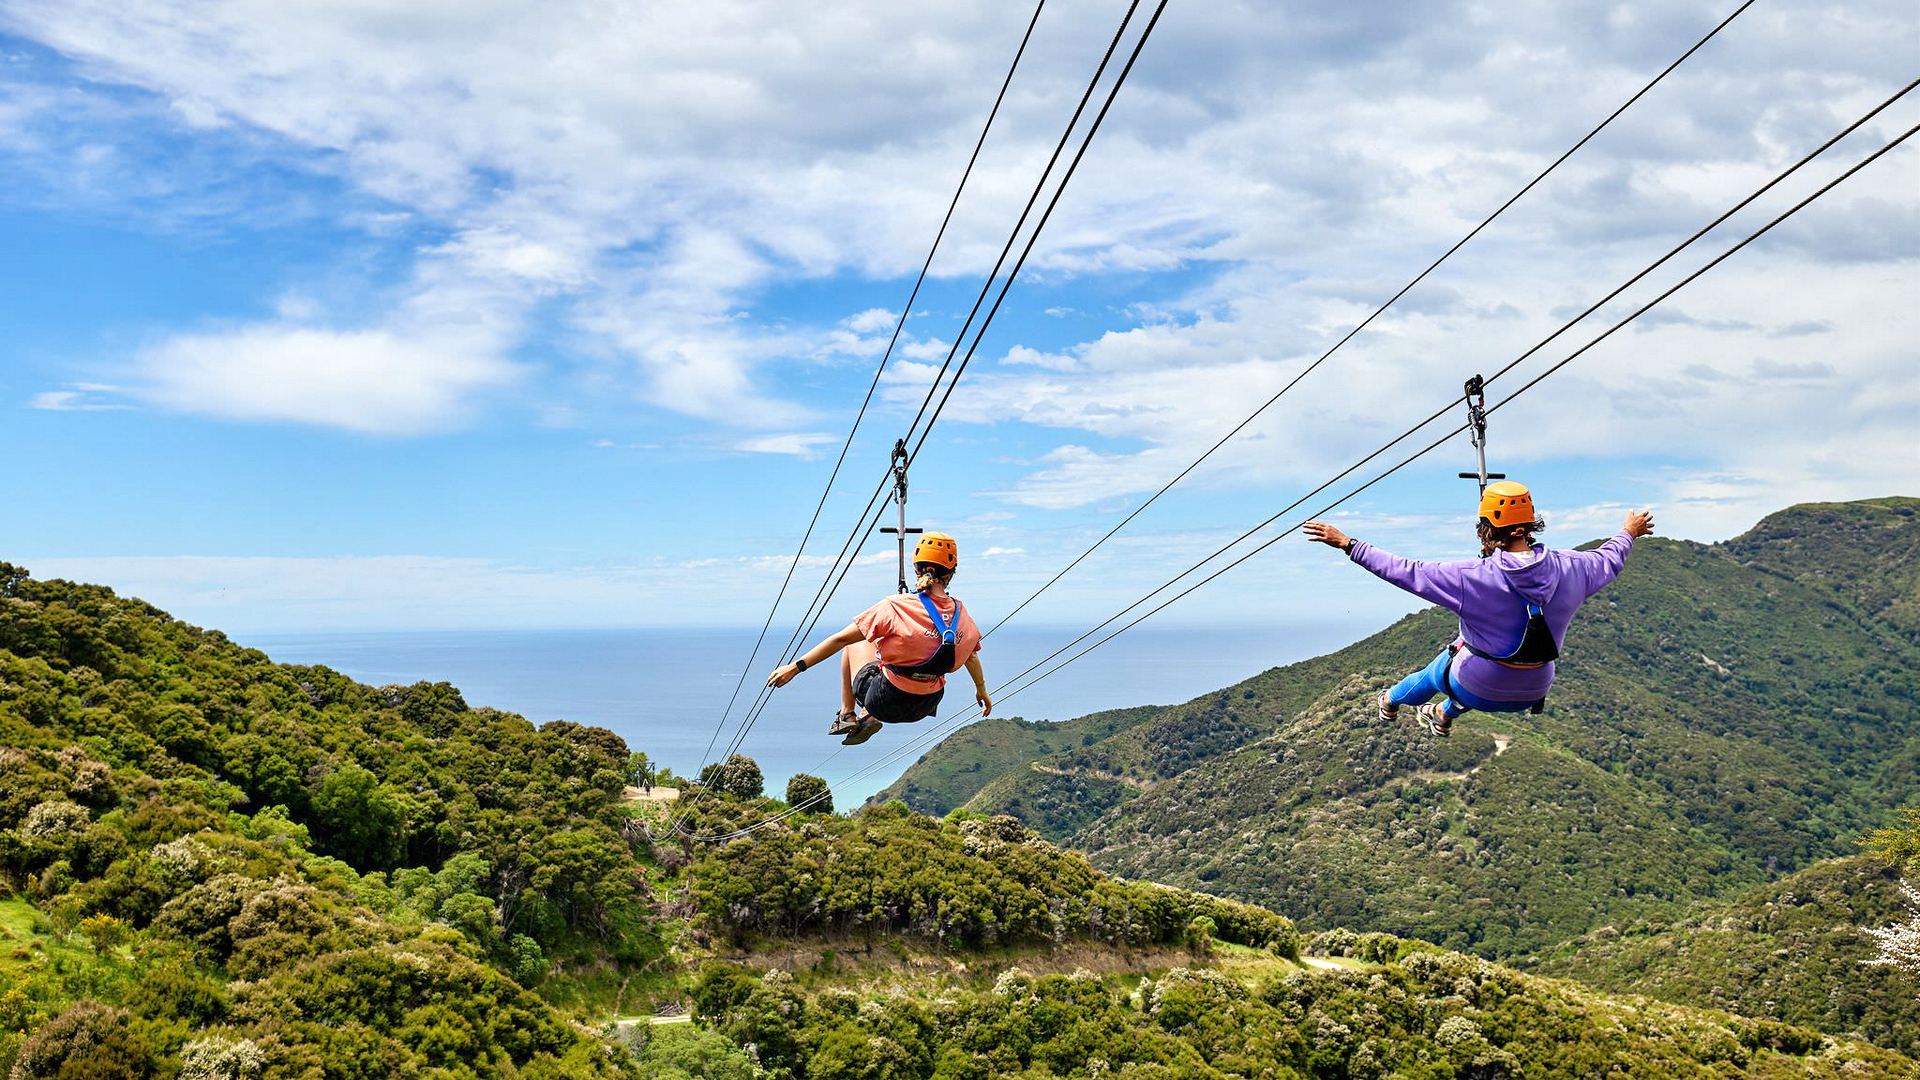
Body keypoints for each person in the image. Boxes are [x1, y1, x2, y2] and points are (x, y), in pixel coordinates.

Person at [1302, 481, 1654, 736]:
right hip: (1535, 687)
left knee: (1441, 669)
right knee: (1478, 667)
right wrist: (1629, 531)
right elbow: (1611, 557)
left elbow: (1405, 571)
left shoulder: (1471, 576)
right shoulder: (1574, 567)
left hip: (1478, 683)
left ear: (1489, 529)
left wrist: (1348, 543)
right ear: (1529, 526)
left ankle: (1390, 702)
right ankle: (1442, 715)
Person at [766, 532, 992, 745]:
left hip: (885, 701)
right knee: (890, 648)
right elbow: (971, 658)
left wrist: (795, 667)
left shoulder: (896, 606)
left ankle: (847, 714)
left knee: (857, 641)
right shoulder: (963, 617)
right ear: (950, 573)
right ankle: (865, 715)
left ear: (917, 570)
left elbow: (839, 640)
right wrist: (981, 690)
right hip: (927, 704)